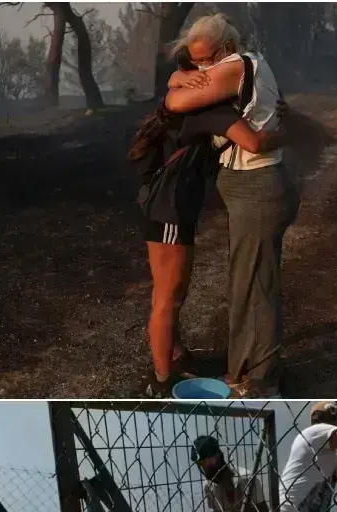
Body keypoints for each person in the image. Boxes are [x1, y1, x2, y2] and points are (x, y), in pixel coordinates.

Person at [129, 48, 284, 398]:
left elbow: (174, 84)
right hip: (170, 208)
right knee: (169, 296)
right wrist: (283, 133)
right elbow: (254, 142)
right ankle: (163, 378)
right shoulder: (209, 110)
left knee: (167, 293)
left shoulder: (187, 101)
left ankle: (172, 357)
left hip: (159, 202)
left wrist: (178, 79)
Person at [165, 13, 300, 399]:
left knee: (256, 285)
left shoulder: (235, 67)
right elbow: (180, 86)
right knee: (245, 281)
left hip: (256, 186)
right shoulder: (249, 64)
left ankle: (260, 381)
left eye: (205, 59)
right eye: (194, 60)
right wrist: (182, 76)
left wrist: (179, 82)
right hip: (255, 185)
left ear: (225, 48)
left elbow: (176, 102)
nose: (200, 67)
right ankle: (242, 370)